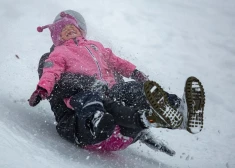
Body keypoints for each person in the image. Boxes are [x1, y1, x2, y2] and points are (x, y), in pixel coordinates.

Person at [29, 10, 205, 156]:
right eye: (64, 30)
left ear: (82, 31)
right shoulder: (55, 55)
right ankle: (103, 119)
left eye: (72, 28)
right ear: (56, 37)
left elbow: (117, 62)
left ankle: (177, 109)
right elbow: (53, 77)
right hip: (85, 127)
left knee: (134, 89)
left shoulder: (96, 48)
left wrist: (135, 73)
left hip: (123, 128)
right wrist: (42, 90)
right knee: (103, 103)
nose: (69, 31)